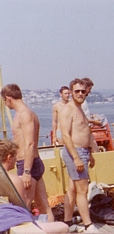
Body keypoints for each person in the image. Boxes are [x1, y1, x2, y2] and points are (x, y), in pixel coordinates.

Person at [1, 84, 54, 222]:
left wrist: (26, 171)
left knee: (23, 206)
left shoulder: (25, 115)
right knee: (43, 205)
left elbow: (30, 144)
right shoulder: (26, 114)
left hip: (27, 164)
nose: (5, 104)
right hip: (32, 163)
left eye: (4, 101)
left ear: (8, 98)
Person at [0, 139, 69, 234]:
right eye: (15, 156)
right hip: (11, 224)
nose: (16, 160)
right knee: (63, 227)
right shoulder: (14, 180)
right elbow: (21, 208)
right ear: (9, 158)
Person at [59, 78, 99, 233]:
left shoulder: (79, 108)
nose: (81, 93)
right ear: (71, 92)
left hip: (82, 152)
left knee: (72, 189)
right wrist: (76, 158)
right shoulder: (68, 109)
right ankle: (88, 225)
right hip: (75, 153)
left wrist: (90, 153)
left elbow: (84, 131)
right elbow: (66, 136)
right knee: (82, 191)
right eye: (77, 91)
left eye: (83, 91)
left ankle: (67, 223)